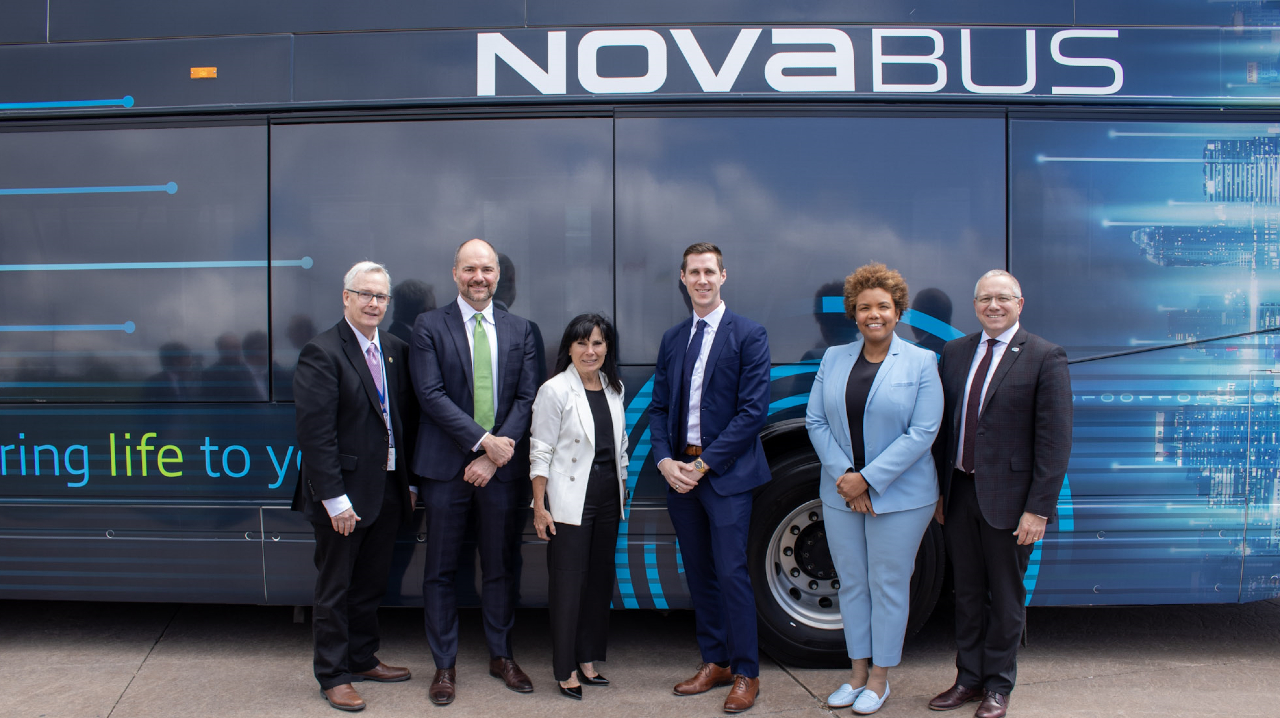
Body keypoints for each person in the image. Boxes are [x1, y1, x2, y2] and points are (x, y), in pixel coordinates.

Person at [928, 270, 1072, 718]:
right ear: (974, 306)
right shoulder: (954, 353)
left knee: (1006, 597)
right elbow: (941, 429)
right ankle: (968, 679)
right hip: (960, 491)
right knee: (966, 593)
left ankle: (997, 686)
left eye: (1003, 298)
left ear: (1020, 303)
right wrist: (937, 491)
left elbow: (1055, 441)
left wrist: (1038, 510)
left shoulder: (1046, 356)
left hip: (1012, 503)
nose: (994, 305)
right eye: (985, 299)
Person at [804, 263, 943, 715]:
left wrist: (869, 478)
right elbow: (815, 420)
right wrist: (847, 477)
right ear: (853, 313)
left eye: (883, 306)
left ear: (898, 311)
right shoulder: (833, 358)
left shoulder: (922, 362)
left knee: (887, 585)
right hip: (841, 491)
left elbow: (923, 433)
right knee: (853, 585)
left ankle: (880, 680)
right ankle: (857, 674)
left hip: (901, 497)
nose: (874, 314)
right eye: (864, 307)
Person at [408, 238, 540, 705]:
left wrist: (494, 456)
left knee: (501, 566)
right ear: (455, 273)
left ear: (498, 275)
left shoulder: (522, 329)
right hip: (445, 469)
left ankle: (501, 655)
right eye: (469, 269)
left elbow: (527, 398)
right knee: (441, 570)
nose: (478, 278)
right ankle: (444, 666)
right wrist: (484, 443)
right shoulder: (428, 325)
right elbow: (430, 393)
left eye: (486, 269)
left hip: (501, 472)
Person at [647, 242, 771, 714]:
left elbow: (752, 413)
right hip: (680, 476)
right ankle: (714, 662)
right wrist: (665, 462)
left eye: (709, 272)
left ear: (724, 276)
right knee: (699, 574)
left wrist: (703, 465)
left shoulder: (749, 335)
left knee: (732, 573)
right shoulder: (673, 338)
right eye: (693, 272)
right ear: (682, 278)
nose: (702, 280)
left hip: (725, 477)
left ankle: (746, 672)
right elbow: (659, 409)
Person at [292, 261, 419, 712]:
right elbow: (315, 434)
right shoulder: (322, 352)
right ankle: (333, 675)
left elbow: (402, 421)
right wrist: (334, 500)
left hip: (386, 488)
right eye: (364, 294)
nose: (373, 303)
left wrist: (409, 483)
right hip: (342, 497)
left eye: (381, 296)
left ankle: (362, 658)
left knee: (369, 585)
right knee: (335, 589)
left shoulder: (396, 350)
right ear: (345, 297)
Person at [528, 314, 628, 700]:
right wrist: (540, 505)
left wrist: (622, 487)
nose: (591, 351)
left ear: (607, 348)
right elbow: (540, 451)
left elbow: (619, 446)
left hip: (607, 494)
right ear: (569, 347)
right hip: (571, 496)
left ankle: (588, 658)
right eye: (583, 343)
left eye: (599, 343)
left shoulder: (613, 387)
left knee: (599, 578)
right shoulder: (554, 390)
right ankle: (565, 667)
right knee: (569, 582)